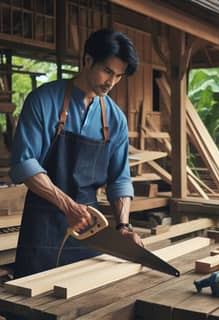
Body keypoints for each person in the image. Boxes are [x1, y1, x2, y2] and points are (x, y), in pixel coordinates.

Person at [9, 28, 143, 278]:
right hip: (44, 224)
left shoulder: (116, 120)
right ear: (88, 60)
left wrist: (123, 226)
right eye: (107, 71)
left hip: (90, 229)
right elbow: (24, 164)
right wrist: (68, 207)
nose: (111, 82)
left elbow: (119, 179)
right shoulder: (43, 100)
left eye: (119, 76)